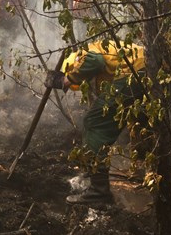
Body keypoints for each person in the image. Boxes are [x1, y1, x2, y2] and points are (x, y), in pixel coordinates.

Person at [45, 40, 145, 205]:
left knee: (94, 123)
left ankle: (98, 192)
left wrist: (66, 80)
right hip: (155, 71)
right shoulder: (110, 51)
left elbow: (94, 61)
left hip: (136, 73)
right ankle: (149, 175)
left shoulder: (84, 52)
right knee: (142, 121)